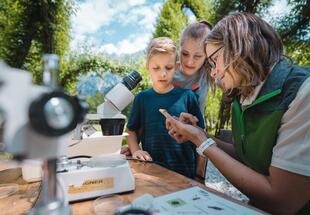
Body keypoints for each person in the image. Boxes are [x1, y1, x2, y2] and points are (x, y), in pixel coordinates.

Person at [165, 12, 310, 214]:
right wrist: (199, 133)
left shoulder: (303, 92)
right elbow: (244, 155)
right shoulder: (242, 96)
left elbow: (282, 202)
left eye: (215, 60)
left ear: (240, 46)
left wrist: (203, 143)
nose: (213, 72)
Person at [126, 37, 205, 178]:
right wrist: (136, 150)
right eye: (156, 68)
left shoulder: (188, 97)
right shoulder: (142, 98)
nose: (162, 73)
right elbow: (131, 131)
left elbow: (202, 138)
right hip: (152, 172)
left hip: (186, 174)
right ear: (147, 67)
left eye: (168, 68)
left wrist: (200, 175)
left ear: (176, 67)